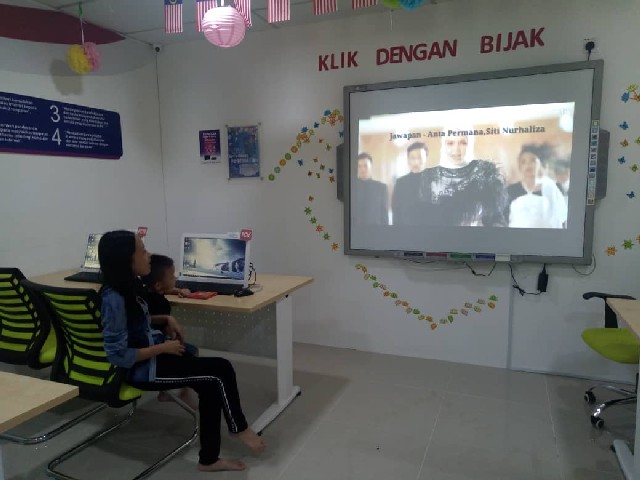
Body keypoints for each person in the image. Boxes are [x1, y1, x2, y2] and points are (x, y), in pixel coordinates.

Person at [98, 230, 265, 473]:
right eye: (142, 251)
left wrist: (164, 318)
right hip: (143, 370)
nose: (148, 255)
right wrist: (164, 347)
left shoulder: (128, 287)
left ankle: (209, 460)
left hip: (154, 357)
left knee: (210, 384)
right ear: (126, 259)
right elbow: (118, 355)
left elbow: (135, 323)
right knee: (221, 368)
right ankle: (238, 428)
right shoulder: (113, 298)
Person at [141, 254, 197, 409]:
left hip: (156, 342)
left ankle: (164, 393)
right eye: (172, 276)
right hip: (156, 347)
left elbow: (164, 289)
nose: (175, 278)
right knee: (191, 353)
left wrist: (178, 290)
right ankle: (184, 392)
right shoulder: (156, 302)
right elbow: (146, 319)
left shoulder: (145, 293)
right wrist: (167, 319)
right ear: (158, 285)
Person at [417, 130, 507, 226]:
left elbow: (496, 218)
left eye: (463, 143)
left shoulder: (484, 173)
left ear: (470, 144)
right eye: (450, 143)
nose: (456, 149)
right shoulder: (430, 177)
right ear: (443, 146)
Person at [506, 144, 568, 228]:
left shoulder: (553, 188)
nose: (528, 165)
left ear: (540, 163)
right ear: (520, 167)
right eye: (523, 162)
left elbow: (561, 219)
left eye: (533, 160)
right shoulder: (511, 190)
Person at [392, 142, 428, 226]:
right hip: (406, 230)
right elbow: (396, 213)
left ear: (426, 158)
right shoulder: (400, 183)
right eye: (412, 158)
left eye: (420, 157)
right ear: (408, 160)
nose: (416, 161)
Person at [353, 152, 388, 226]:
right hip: (354, 230)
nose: (362, 169)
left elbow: (384, 215)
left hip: (375, 230)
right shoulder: (351, 187)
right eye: (359, 166)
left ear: (371, 166)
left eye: (365, 166)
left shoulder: (381, 187)